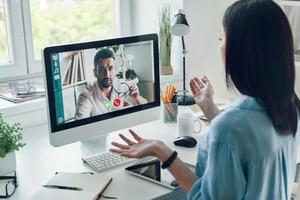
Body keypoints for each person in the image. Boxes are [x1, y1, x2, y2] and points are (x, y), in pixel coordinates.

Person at [110, 0, 300, 199]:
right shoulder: (288, 108)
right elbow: (245, 141)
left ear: (238, 50)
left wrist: (162, 150)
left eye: (221, 37)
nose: (219, 45)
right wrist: (208, 106)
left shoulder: (230, 129)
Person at [75, 48, 147, 119]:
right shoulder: (85, 97)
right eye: (102, 69)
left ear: (115, 69)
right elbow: (79, 125)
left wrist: (137, 98)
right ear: (95, 72)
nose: (107, 74)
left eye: (110, 68)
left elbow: (146, 111)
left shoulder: (122, 85)